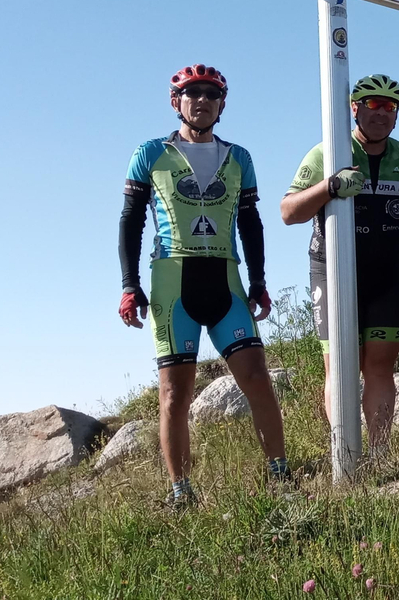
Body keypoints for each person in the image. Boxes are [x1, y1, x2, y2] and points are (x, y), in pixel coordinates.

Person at [118, 65, 288, 505]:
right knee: (176, 393)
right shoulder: (150, 152)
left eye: (212, 94)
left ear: (221, 105)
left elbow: (251, 222)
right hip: (173, 281)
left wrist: (259, 281)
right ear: (176, 102)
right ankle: (181, 490)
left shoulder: (240, 157)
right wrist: (129, 284)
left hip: (226, 279)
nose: (202, 100)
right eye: (192, 93)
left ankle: (281, 474)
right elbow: (131, 221)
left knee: (256, 378)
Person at [280, 74, 399, 456]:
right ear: (354, 109)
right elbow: (288, 212)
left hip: (386, 274)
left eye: (389, 107)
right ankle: (344, 455)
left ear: (396, 116)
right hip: (333, 272)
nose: (380, 113)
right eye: (371, 105)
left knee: (380, 368)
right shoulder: (329, 151)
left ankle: (380, 456)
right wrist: (329, 187)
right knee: (341, 369)